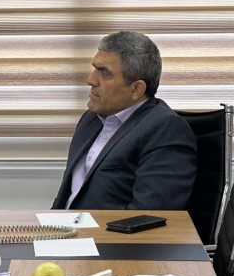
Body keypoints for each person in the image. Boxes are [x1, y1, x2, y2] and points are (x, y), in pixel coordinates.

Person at [52, 30, 196, 211]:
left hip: (106, 230)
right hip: (63, 227)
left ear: (136, 89)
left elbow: (148, 216)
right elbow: (68, 198)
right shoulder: (91, 119)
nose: (91, 80)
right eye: (95, 69)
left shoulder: (165, 129)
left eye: (104, 72)